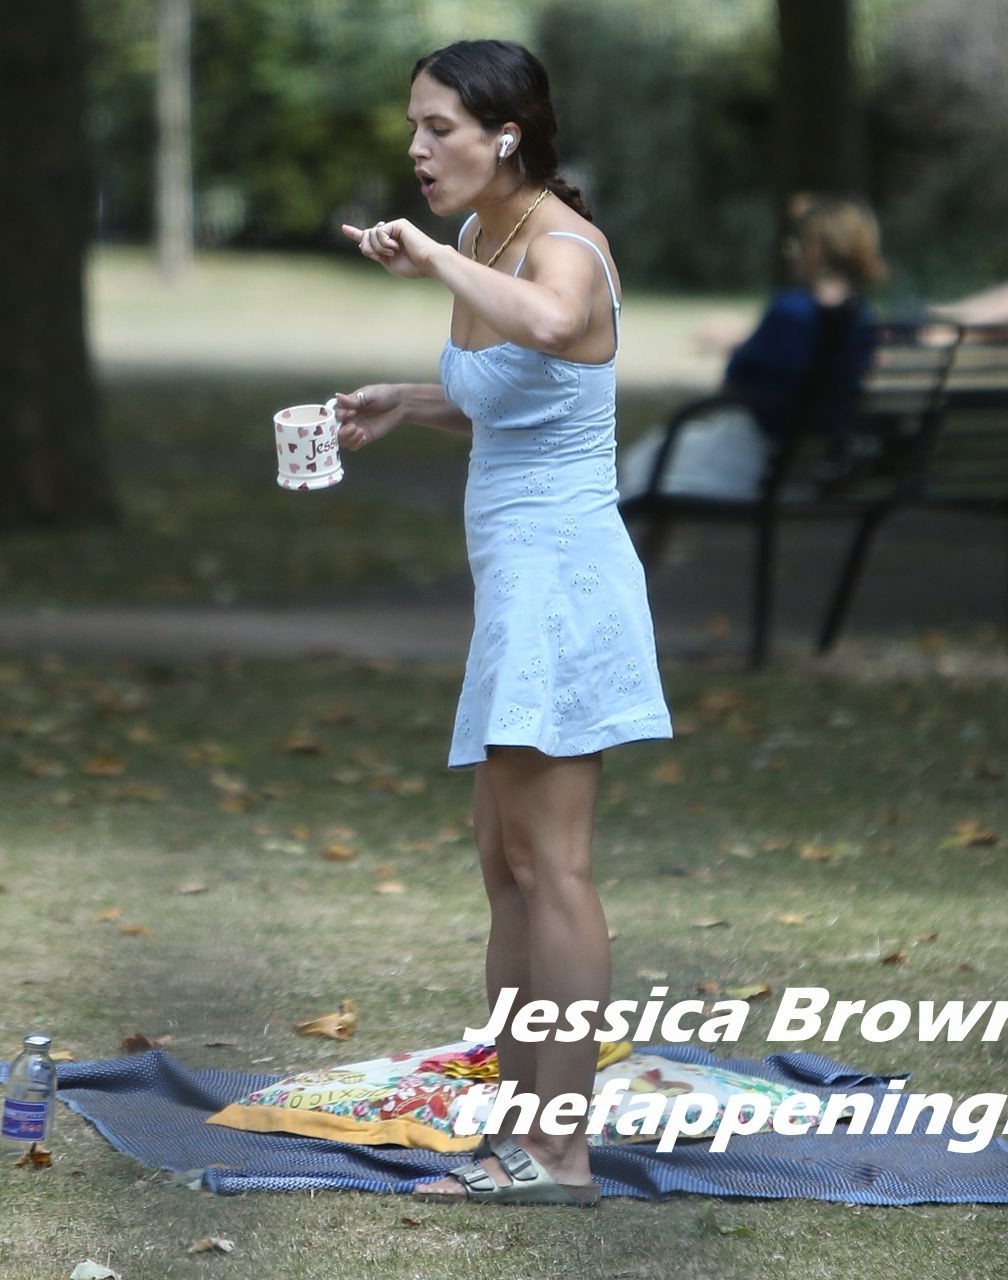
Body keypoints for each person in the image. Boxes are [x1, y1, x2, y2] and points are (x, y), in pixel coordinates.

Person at [332, 38, 673, 1208]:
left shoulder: (562, 246)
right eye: (414, 128)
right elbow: (523, 399)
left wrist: (430, 257)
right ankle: (520, 1131)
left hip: (563, 583)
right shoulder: (487, 238)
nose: (418, 149)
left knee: (554, 868)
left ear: (507, 135)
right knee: (508, 867)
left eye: (440, 129)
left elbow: (555, 324)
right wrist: (407, 400)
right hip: (516, 588)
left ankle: (559, 1151)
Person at [616, 193, 886, 504]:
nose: (792, 252)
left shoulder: (791, 311)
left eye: (798, 243)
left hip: (757, 461)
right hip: (815, 466)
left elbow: (736, 379)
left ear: (816, 250)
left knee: (646, 461)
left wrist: (736, 347)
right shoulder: (862, 319)